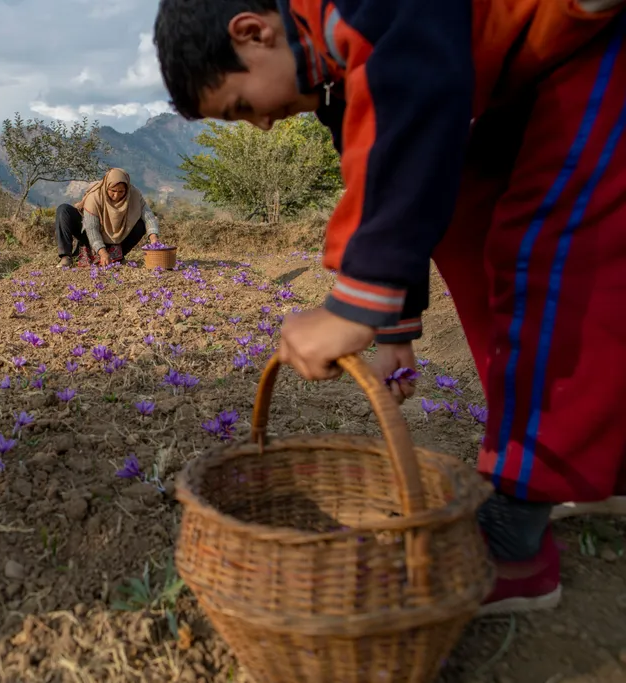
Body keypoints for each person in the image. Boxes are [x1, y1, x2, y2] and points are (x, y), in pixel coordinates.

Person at [154, 0, 626, 616]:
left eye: (241, 106)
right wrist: (391, 325)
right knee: (461, 216)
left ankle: (516, 536)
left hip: (594, 40)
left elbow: (419, 103)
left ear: (253, 32)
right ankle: (585, 460)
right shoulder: (333, 67)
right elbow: (378, 174)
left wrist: (351, 310)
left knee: (551, 252)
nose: (262, 124)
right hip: (537, 67)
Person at [55, 168, 161, 269]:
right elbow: (92, 229)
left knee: (141, 224)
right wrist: (102, 252)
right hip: (91, 235)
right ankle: (66, 257)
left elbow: (149, 217)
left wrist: (153, 238)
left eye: (121, 192)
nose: (116, 196)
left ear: (127, 189)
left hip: (118, 239)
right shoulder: (95, 196)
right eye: (113, 191)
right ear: (106, 187)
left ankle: (117, 256)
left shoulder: (134, 194)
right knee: (63, 210)